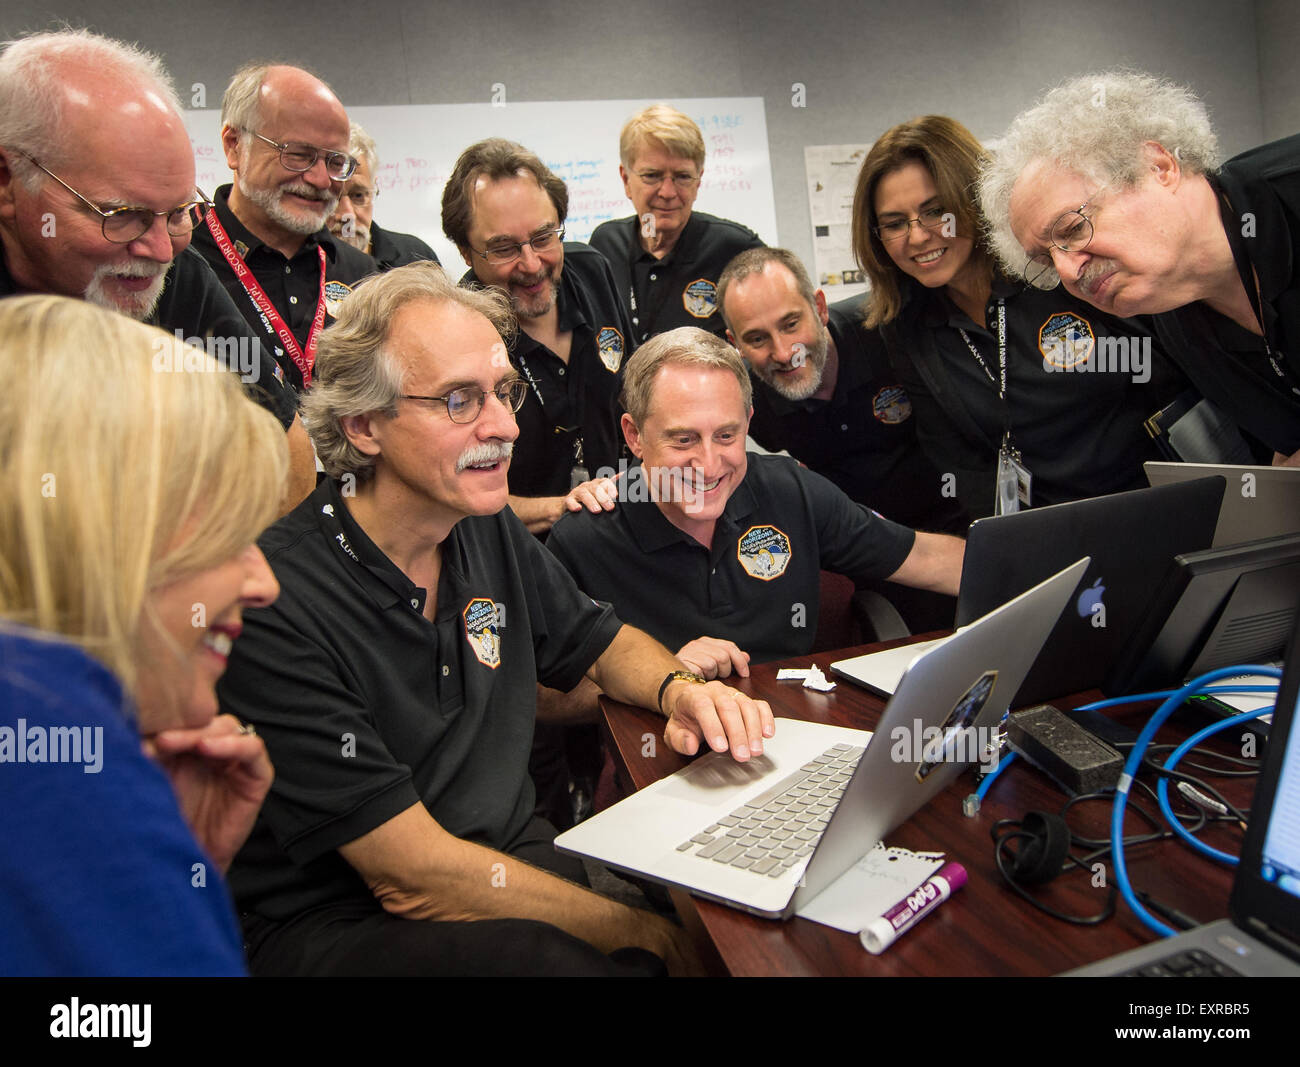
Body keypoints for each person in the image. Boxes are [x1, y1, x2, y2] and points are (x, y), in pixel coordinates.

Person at [216, 262, 773, 977]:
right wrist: (657, 939)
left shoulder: (480, 522)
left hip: (512, 862)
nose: (506, 426)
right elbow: (411, 878)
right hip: (351, 923)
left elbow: (601, 643)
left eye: (505, 392)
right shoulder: (273, 600)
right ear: (362, 424)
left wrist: (680, 690)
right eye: (460, 401)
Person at [0, 295, 285, 976]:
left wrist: (174, 870)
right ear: (98, 531)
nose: (264, 582)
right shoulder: (44, 733)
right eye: (229, 533)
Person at [0, 29, 315, 512]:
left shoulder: (172, 270)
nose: (162, 250)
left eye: (178, 214)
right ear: (7, 183)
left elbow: (284, 455)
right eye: (121, 214)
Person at [545, 327, 965, 679]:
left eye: (727, 436)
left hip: (796, 730)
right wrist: (659, 674)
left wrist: (1025, 576)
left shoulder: (791, 490)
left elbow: (925, 557)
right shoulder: (585, 538)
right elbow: (545, 697)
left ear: (748, 419)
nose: (708, 466)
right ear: (635, 435)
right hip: (660, 745)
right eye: (683, 439)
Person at [850, 115, 1185, 520]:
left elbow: (1177, 374)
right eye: (895, 223)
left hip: (1162, 505)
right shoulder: (908, 327)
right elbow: (963, 463)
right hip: (1047, 533)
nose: (918, 236)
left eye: (936, 211)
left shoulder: (1057, 269)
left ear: (973, 200)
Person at [978, 71, 1300, 465]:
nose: (1067, 272)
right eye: (1046, 259)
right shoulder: (1172, 319)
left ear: (1159, 167)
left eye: (1074, 228)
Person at [443, 138, 635, 536]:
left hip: (619, 534)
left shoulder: (593, 272)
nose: (531, 265)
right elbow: (455, 494)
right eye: (503, 248)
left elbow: (636, 393)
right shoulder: (457, 333)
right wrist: (559, 509)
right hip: (524, 556)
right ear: (466, 252)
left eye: (544, 237)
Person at [190, 63, 376, 394]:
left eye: (335, 162)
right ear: (235, 145)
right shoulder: (179, 263)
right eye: (298, 155)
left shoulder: (363, 276)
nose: (321, 180)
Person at [590, 103, 763, 345]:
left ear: (699, 180)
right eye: (652, 176)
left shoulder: (735, 248)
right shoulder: (605, 244)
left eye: (682, 176)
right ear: (626, 179)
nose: (668, 192)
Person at [328, 122, 441, 271]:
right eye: (332, 197)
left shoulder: (415, 259)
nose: (347, 214)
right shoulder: (296, 265)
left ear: (374, 189)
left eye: (358, 195)